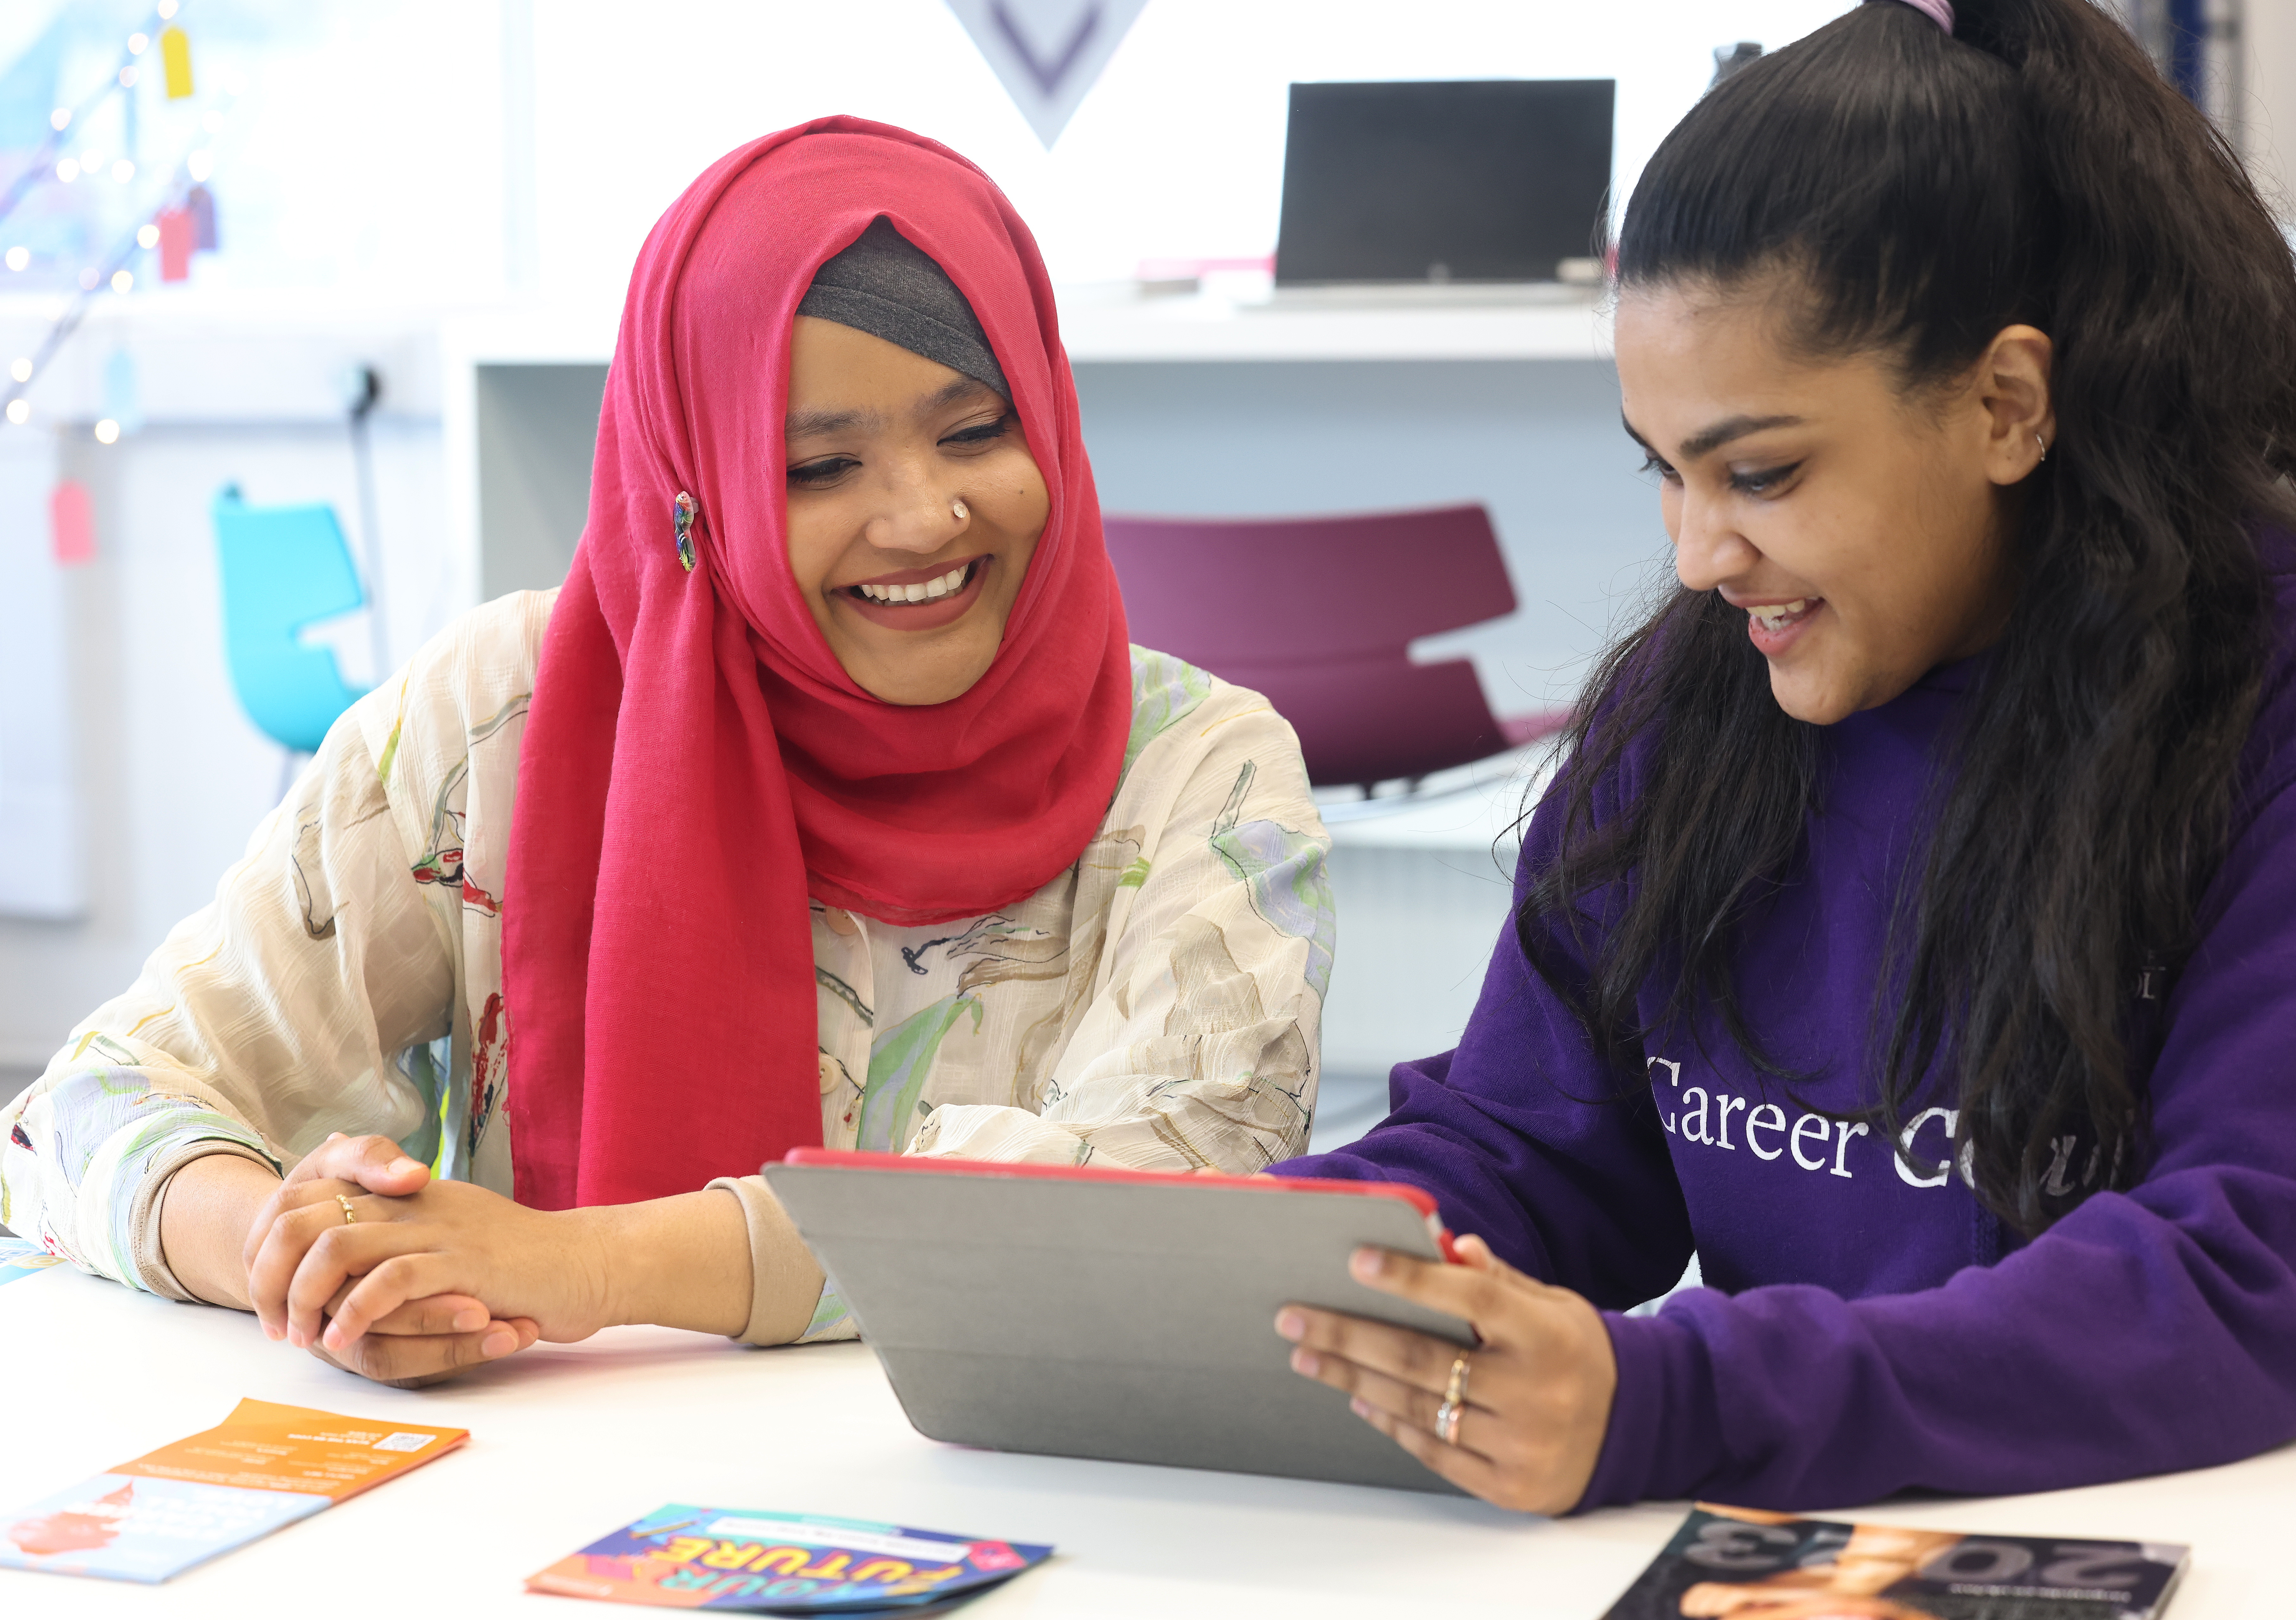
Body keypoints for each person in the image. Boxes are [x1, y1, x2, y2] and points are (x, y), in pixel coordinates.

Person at [1262, 0, 2296, 1516]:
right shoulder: (1704, 699)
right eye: (1663, 471)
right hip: (1853, 1513)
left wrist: (1678, 1396)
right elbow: (1536, 1150)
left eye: (1762, 471)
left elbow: (2242, 1294)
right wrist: (1260, 1275)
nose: (1701, 552)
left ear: (2004, 406)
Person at [0, 118, 1333, 1385]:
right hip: (541, 1499)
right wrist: (306, 1258)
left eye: (976, 431)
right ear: (696, 495)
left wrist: (585, 1263)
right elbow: (86, 1105)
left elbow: (1164, 1203)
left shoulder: (1202, 780)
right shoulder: (501, 719)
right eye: (818, 467)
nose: (927, 515)